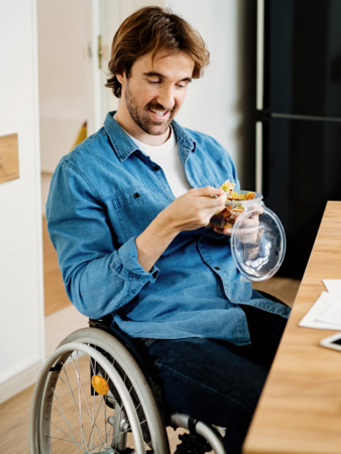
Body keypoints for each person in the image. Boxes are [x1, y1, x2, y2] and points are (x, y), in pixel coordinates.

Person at [46, 6, 289, 453]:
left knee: (322, 374)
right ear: (121, 72)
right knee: (271, 408)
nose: (168, 99)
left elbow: (245, 260)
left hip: (236, 306)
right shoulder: (79, 172)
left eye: (181, 84)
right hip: (162, 334)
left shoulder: (210, 152)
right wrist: (165, 225)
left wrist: (244, 235)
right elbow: (86, 292)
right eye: (154, 79)